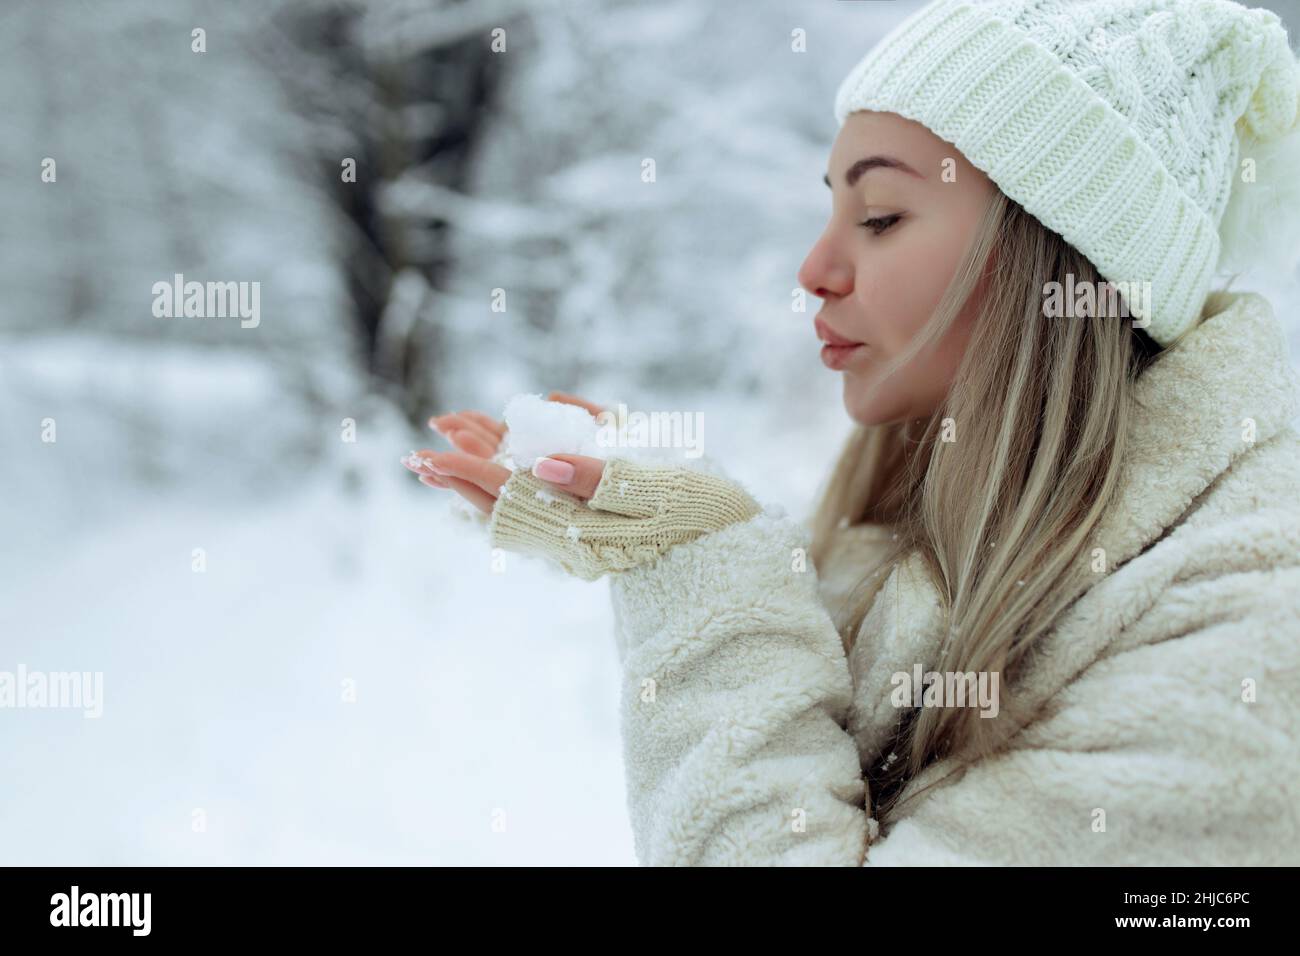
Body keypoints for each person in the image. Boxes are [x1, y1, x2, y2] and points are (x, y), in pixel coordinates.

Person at [403, 0, 1300, 865]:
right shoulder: (932, 538)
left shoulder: (1247, 639)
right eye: (832, 209)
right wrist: (661, 529)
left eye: (879, 217)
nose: (814, 269)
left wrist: (702, 569)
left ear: (1057, 257)